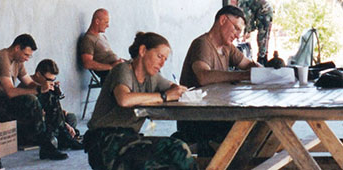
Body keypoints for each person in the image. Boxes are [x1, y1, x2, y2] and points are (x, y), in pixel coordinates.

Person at [84, 32, 197, 170]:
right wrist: (164, 96)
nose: (161, 63)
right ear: (143, 51)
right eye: (159, 56)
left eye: (165, 59)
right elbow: (124, 99)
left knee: (178, 149)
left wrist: (176, 89)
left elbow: (174, 88)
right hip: (104, 143)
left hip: (128, 139)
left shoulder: (152, 77)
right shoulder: (123, 69)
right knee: (164, 161)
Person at [175, 5, 262, 157]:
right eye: (235, 28)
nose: (237, 35)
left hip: (216, 113)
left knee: (259, 125)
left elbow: (247, 64)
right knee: (252, 124)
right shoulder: (202, 44)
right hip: (197, 118)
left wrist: (261, 69)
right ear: (223, 20)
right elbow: (204, 76)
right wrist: (242, 75)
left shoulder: (227, 47)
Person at [0, 34, 68, 160]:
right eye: (26, 55)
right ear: (17, 48)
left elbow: (29, 83)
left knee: (49, 95)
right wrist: (38, 89)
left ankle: (61, 135)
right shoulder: (1, 58)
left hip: (5, 101)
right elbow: (10, 92)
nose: (27, 59)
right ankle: (46, 145)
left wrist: (46, 86)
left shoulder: (18, 61)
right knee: (31, 100)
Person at [18, 59, 83, 150]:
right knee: (58, 127)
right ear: (38, 74)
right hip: (33, 123)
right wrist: (64, 124)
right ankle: (62, 137)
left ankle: (63, 135)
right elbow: (39, 114)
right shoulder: (28, 86)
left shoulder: (45, 85)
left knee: (71, 117)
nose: (51, 82)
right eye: (48, 79)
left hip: (48, 119)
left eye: (53, 79)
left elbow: (53, 109)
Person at [80, 8, 125, 83]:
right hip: (110, 75)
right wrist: (111, 67)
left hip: (118, 69)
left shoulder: (103, 37)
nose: (108, 26)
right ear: (97, 21)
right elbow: (87, 63)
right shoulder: (88, 39)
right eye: (106, 22)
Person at [228, 0, 273, 65]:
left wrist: (247, 31)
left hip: (262, 10)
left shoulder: (261, 6)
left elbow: (247, 16)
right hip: (252, 10)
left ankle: (262, 58)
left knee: (263, 35)